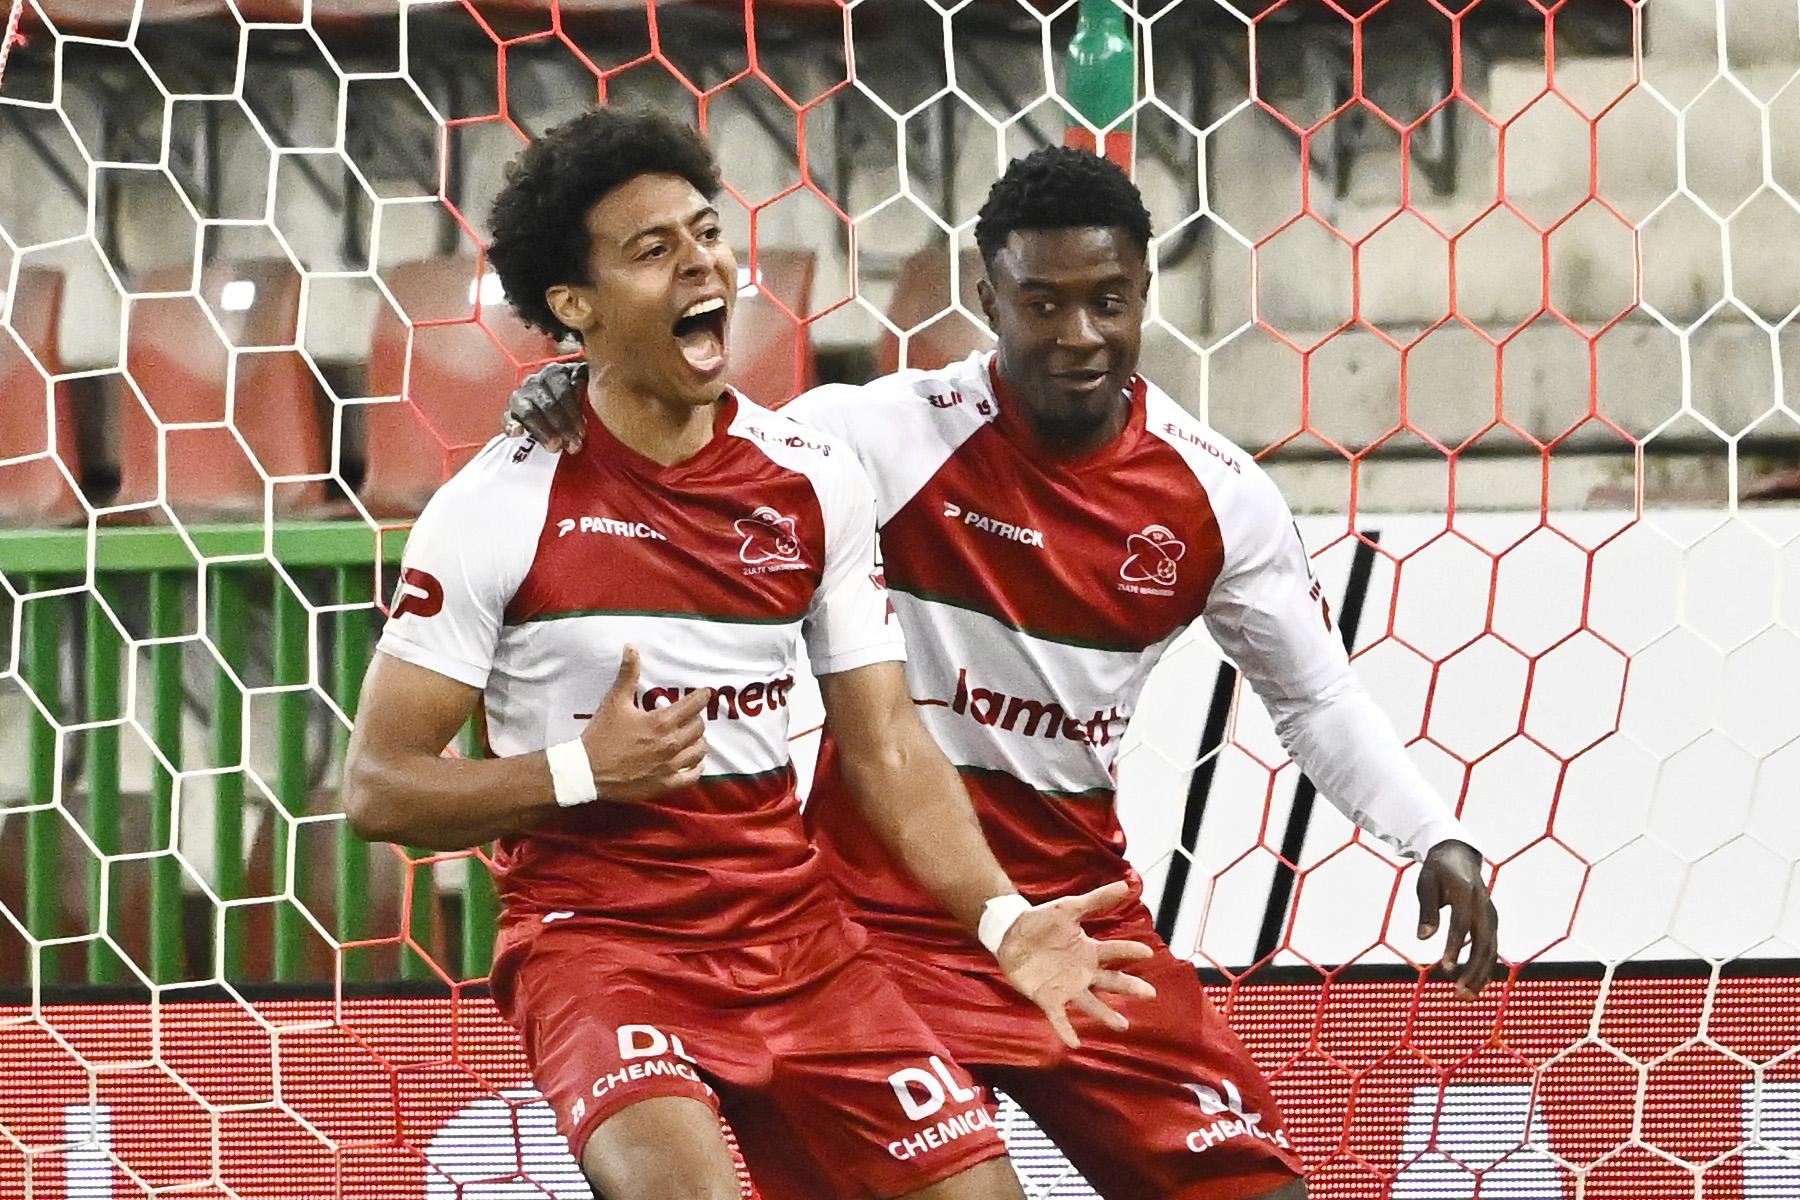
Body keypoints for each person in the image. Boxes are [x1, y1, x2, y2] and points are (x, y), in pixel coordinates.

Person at [505, 145, 1502, 1200]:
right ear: (987, 296)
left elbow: (1314, 698)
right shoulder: (877, 434)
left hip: (1081, 921)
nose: (1081, 336)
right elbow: (687, 445)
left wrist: (1431, 832)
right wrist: (582, 385)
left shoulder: (1219, 496)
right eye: (1044, 304)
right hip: (870, 932)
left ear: (1144, 294)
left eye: (1109, 302)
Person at [344, 111, 1160, 1200]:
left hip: (798, 939)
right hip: (601, 944)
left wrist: (1002, 919)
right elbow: (380, 788)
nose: (704, 264)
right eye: (653, 250)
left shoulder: (813, 481)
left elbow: (885, 745)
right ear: (574, 310)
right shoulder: (494, 508)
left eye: (707, 233)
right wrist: (585, 773)